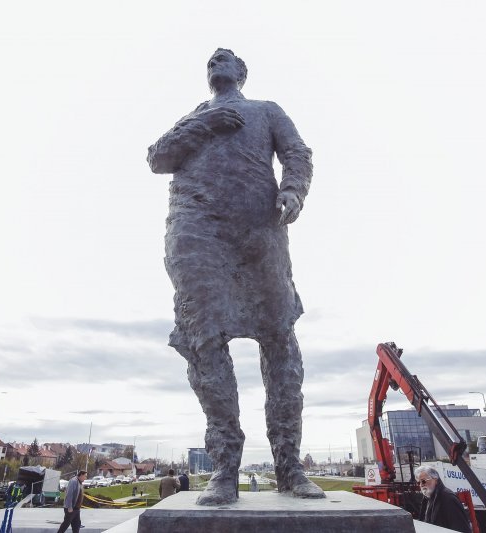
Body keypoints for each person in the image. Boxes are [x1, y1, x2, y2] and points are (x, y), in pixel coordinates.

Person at [147, 48, 323, 506]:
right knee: (203, 339)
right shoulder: (194, 120)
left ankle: (290, 467)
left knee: (279, 336)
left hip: (258, 231)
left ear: (242, 73)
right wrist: (205, 123)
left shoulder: (265, 111)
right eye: (210, 60)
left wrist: (293, 192)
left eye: (226, 59)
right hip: (197, 230)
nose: (216, 60)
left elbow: (298, 154)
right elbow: (157, 157)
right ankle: (224, 467)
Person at [414, 465, 472, 533]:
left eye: (423, 481)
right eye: (419, 482)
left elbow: (461, 528)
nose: (421, 485)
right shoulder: (427, 499)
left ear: (435, 480)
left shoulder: (448, 498)